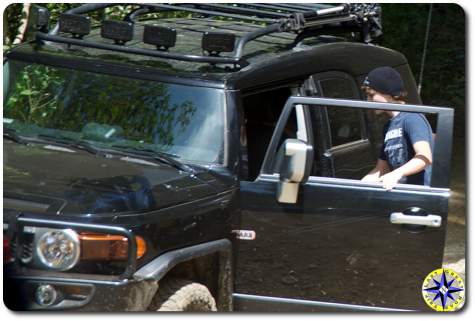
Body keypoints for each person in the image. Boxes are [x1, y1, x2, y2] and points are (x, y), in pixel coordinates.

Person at [361, 66, 434, 190]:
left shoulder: (412, 118)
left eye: (371, 95)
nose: (368, 100)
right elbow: (381, 169)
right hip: (400, 195)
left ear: (389, 94)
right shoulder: (388, 126)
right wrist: (357, 187)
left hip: (418, 198)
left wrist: (396, 174)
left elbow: (425, 157)